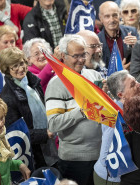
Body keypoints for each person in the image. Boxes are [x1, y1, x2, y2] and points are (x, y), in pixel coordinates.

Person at [45, 35, 103, 185]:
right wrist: (83, 110)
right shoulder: (56, 84)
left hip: (101, 154)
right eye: (76, 56)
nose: (81, 59)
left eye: (83, 54)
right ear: (63, 56)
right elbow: (53, 124)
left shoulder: (95, 75)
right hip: (74, 160)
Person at [0, 47, 52, 170]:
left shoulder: (33, 81)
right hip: (32, 153)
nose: (20, 68)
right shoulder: (8, 97)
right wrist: (44, 134)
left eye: (21, 63)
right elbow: (16, 132)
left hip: (49, 143)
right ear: (7, 70)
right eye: (14, 66)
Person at [93, 70, 140, 185]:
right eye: (133, 84)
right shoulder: (114, 118)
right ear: (121, 95)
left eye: (136, 81)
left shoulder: (129, 107)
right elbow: (108, 157)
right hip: (111, 178)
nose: (139, 84)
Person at [0, 95, 31, 184]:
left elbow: (3, 166)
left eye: (2, 118)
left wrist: (19, 165)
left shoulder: (0, 139)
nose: (0, 124)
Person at [98, 1, 139, 68]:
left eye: (115, 15)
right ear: (100, 18)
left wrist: (137, 46)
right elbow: (98, 68)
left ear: (119, 15)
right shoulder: (97, 40)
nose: (112, 20)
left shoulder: (132, 32)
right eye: (107, 16)